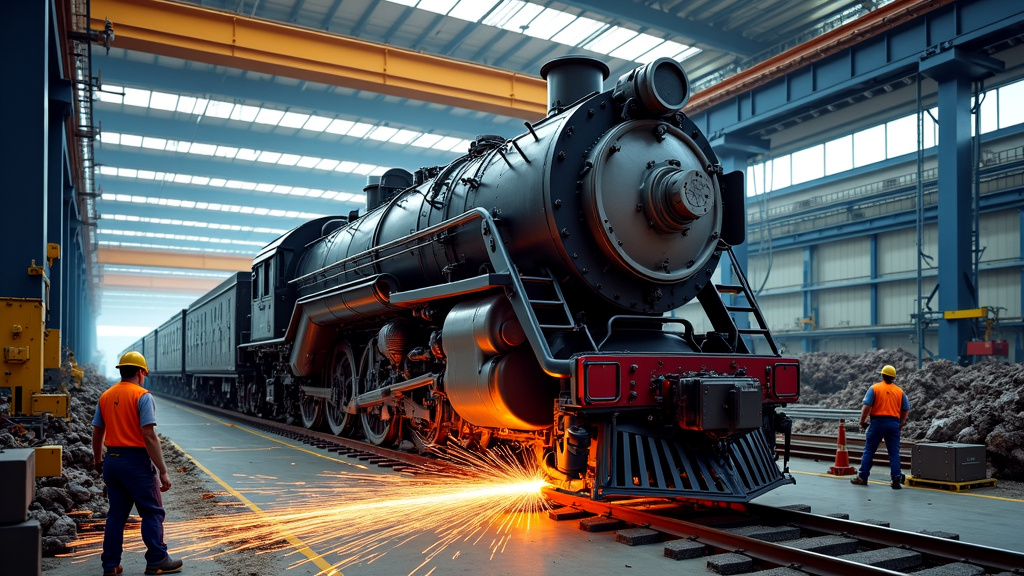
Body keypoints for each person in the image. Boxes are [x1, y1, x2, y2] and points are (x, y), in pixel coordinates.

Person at [92, 351, 184, 575]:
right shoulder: (143, 396)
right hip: (135, 463)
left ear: (121, 370)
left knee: (116, 514)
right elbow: (149, 435)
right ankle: (157, 559)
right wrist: (163, 470)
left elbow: (97, 431)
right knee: (152, 512)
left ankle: (111, 565)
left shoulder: (106, 396)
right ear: (141, 373)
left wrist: (97, 459)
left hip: (112, 461)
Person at [850, 364, 910, 489]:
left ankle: (863, 477)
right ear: (893, 377)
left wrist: (862, 421)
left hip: (877, 422)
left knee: (869, 450)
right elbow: (906, 409)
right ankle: (896, 480)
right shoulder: (899, 391)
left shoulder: (874, 388)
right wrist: (901, 423)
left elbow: (867, 406)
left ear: (882, 375)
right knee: (894, 453)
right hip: (893, 423)